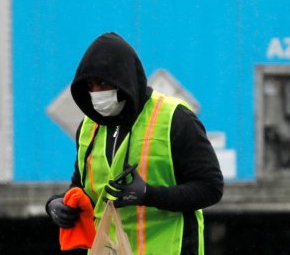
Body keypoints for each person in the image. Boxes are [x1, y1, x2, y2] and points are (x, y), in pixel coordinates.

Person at [46, 32, 224, 254]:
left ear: (125, 79)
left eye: (103, 84)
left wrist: (149, 195)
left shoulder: (175, 119)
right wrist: (57, 204)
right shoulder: (89, 128)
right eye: (90, 86)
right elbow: (82, 189)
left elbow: (211, 188)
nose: (96, 93)